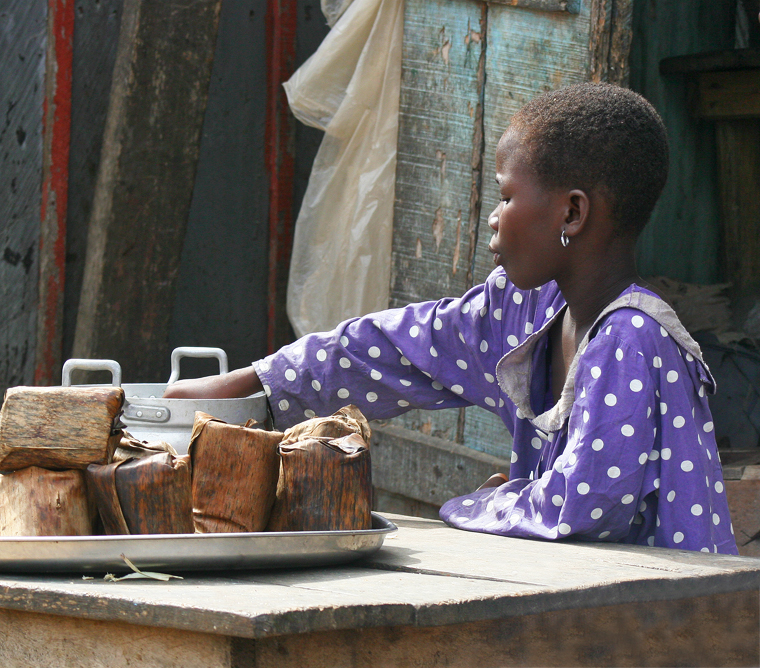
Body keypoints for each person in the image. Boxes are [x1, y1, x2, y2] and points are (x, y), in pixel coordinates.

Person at [165, 83, 736, 555]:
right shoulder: (527, 309)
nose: (492, 219)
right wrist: (253, 386)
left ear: (572, 212)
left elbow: (581, 511)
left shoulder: (632, 338)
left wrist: (483, 503)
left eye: (507, 196)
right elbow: (392, 349)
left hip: (668, 628)